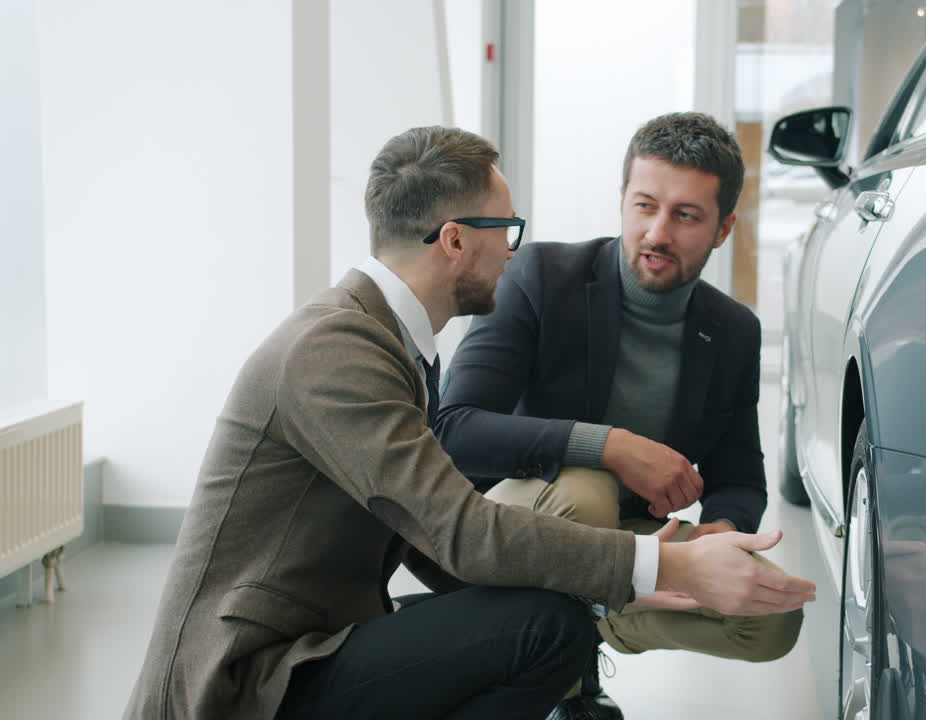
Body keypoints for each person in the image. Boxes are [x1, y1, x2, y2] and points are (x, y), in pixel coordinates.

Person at [123, 126, 815, 720]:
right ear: (455, 241)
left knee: (555, 623)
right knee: (545, 630)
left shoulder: (384, 339)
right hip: (247, 683)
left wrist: (603, 595)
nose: (513, 250)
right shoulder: (335, 351)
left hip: (308, 648)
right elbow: (457, 529)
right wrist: (662, 563)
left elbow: (422, 535)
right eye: (505, 230)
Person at [435, 112, 804, 720]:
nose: (657, 232)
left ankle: (574, 645)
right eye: (645, 206)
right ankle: (553, 683)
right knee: (587, 488)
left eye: (686, 215)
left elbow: (740, 473)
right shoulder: (540, 276)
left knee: (771, 616)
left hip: (624, 551)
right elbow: (453, 428)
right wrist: (608, 445)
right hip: (509, 528)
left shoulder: (735, 330)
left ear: (723, 227)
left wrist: (720, 530)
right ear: (623, 201)